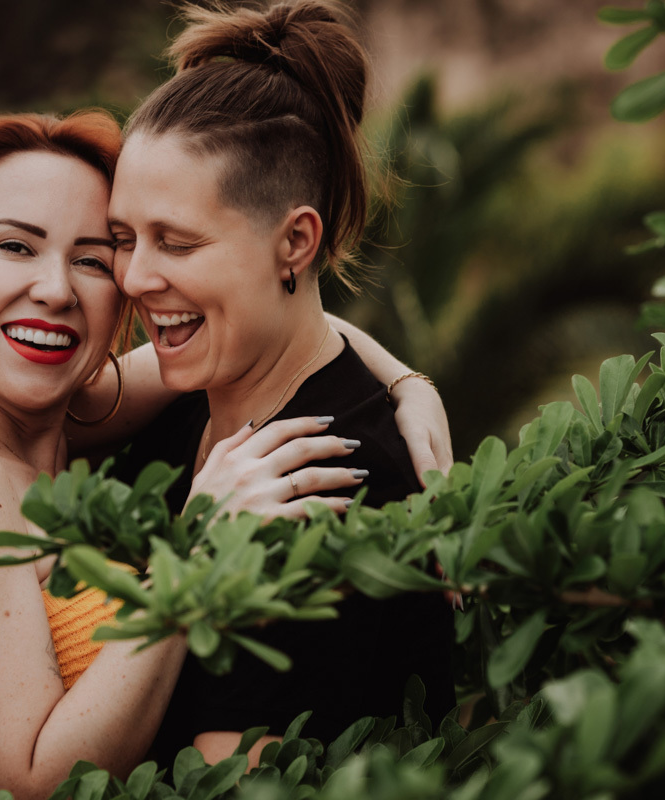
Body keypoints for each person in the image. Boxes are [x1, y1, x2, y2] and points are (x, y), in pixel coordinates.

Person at [0, 109, 451, 798]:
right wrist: (193, 559)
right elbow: (30, 785)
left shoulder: (70, 413)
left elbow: (270, 319)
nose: (56, 290)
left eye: (94, 257)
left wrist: (407, 386)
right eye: (14, 247)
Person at [106, 0, 456, 767]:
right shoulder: (182, 401)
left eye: (177, 241)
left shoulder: (322, 483)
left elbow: (230, 780)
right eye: (123, 238)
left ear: (295, 241)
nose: (134, 277)